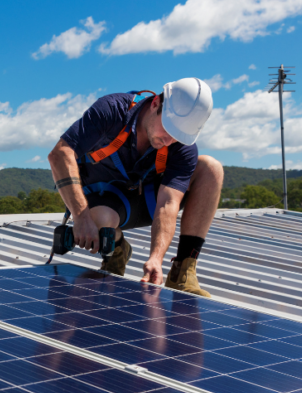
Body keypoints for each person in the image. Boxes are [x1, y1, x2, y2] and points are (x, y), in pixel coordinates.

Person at [47, 78, 223, 297]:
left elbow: (168, 203)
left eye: (177, 137)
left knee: (210, 168)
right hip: (105, 198)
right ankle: (118, 248)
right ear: (156, 103)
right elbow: (60, 153)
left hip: (148, 199)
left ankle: (183, 272)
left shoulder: (181, 147)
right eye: (167, 129)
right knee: (102, 222)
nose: (168, 141)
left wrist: (156, 259)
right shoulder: (111, 110)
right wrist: (80, 217)